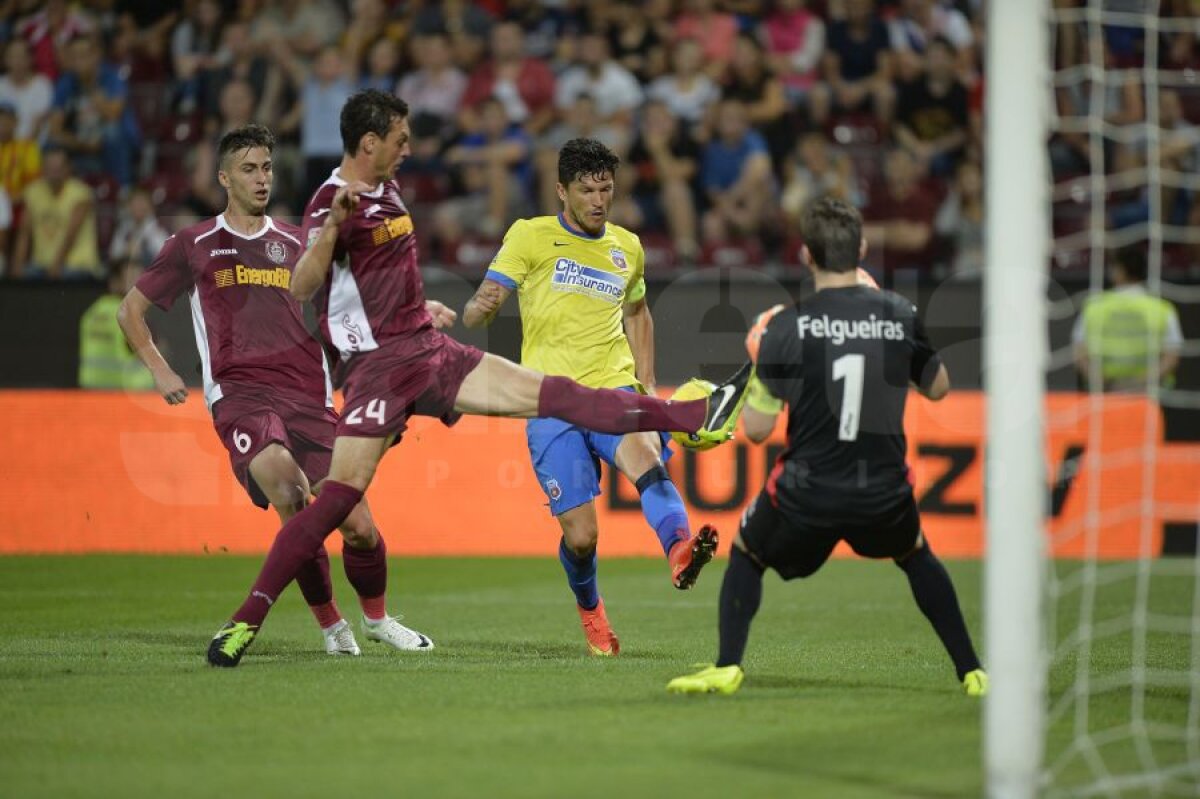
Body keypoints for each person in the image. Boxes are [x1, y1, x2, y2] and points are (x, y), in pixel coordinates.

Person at [206, 90, 752, 667]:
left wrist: (421, 310)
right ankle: (246, 620)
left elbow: (385, 277)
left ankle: (694, 416)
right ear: (369, 143)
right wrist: (333, 227)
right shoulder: (331, 200)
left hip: (429, 351)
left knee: (564, 397)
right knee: (339, 501)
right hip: (379, 372)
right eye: (399, 139)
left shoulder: (389, 190)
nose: (408, 148)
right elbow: (302, 285)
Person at [118, 124, 455, 661]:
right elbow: (130, 310)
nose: (262, 178)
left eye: (268, 168)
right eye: (249, 169)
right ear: (224, 178)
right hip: (242, 395)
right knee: (288, 490)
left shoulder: (300, 242)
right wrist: (160, 369)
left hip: (310, 398)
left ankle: (377, 620)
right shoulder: (193, 243)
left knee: (360, 528)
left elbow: (360, 298)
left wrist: (418, 313)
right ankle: (332, 627)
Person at [667, 197, 987, 697]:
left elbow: (756, 429)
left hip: (807, 491)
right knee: (915, 553)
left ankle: (727, 666)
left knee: (748, 551)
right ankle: (972, 672)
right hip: (882, 489)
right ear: (861, 249)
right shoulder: (899, 314)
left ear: (806, 256)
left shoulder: (785, 327)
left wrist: (760, 363)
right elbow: (939, 388)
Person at [461, 138, 720, 656]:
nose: (599, 201)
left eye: (606, 189)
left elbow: (638, 312)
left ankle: (679, 550)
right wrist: (480, 307)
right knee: (581, 538)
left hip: (611, 387)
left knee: (647, 460)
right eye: (586, 190)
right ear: (562, 191)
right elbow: (477, 310)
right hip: (550, 401)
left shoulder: (627, 247)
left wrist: (647, 386)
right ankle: (591, 609)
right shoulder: (530, 236)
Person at [1073, 246, 1183, 392]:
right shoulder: (1162, 308)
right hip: (1149, 392)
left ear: (1119, 270)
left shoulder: (1094, 306)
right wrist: (1140, 382)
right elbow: (1172, 356)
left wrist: (1101, 381)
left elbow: (1079, 352)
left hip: (1104, 392)